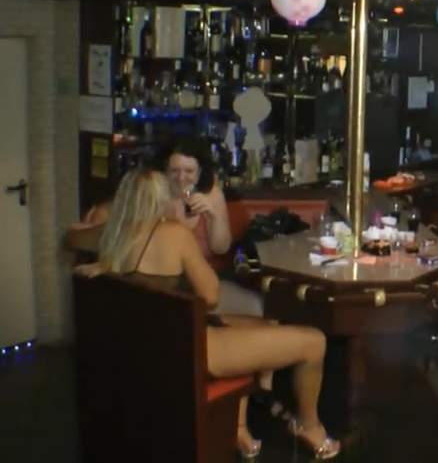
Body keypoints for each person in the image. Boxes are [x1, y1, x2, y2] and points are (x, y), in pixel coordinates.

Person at [74, 169, 340, 460]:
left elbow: (72, 238)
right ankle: (308, 426)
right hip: (189, 347)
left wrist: (101, 259)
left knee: (260, 324)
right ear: (162, 200)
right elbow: (212, 297)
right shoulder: (174, 234)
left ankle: (236, 428)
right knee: (314, 341)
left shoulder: (111, 233)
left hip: (149, 346)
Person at [67, 135, 262, 317]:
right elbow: (113, 219)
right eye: (174, 171)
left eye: (189, 171)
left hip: (197, 282)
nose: (181, 178)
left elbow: (221, 249)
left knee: (253, 304)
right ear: (164, 171)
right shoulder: (150, 199)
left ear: (200, 172)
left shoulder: (212, 195)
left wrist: (213, 216)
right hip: (168, 294)